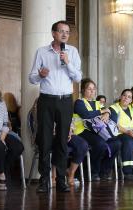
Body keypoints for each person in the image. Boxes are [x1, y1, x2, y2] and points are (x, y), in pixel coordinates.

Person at [29, 20, 82, 193]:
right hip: (46, 100)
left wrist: (68, 62)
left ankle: (61, 179)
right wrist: (40, 75)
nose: (65, 34)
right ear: (53, 33)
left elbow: (78, 78)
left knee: (62, 140)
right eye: (61, 31)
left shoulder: (72, 52)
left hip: (66, 100)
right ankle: (44, 180)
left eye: (67, 31)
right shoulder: (42, 52)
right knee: (44, 139)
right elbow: (31, 78)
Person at [73, 78, 121, 181]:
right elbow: (86, 115)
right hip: (81, 131)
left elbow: (112, 112)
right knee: (100, 144)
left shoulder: (98, 103)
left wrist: (107, 113)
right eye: (89, 89)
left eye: (93, 89)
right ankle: (92, 172)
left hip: (97, 131)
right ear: (83, 90)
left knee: (117, 143)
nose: (92, 91)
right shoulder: (79, 102)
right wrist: (102, 111)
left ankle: (104, 171)